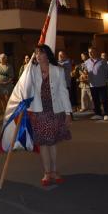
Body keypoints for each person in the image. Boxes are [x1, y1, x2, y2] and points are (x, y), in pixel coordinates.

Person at [26, 44, 72, 186]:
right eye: (36, 53)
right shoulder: (31, 71)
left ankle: (54, 170)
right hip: (39, 112)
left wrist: (68, 112)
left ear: (47, 55)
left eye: (40, 53)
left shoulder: (58, 70)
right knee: (43, 143)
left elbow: (64, 92)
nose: (38, 56)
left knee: (52, 143)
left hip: (55, 111)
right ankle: (47, 173)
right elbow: (26, 90)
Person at [84, 47, 108, 121]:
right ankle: (98, 114)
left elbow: (107, 72)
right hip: (92, 84)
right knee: (95, 100)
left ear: (96, 52)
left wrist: (104, 80)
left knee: (104, 100)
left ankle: (106, 114)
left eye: (92, 52)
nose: (90, 53)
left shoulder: (102, 61)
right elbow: (85, 72)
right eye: (89, 52)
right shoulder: (86, 62)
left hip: (102, 84)